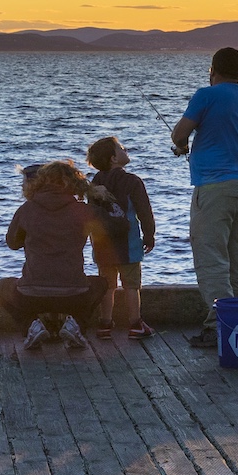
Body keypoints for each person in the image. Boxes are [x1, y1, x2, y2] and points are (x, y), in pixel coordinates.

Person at [171, 47, 238, 349]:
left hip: (213, 187)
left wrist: (182, 146)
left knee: (211, 257)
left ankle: (218, 326)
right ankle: (236, 323)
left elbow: (179, 133)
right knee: (236, 258)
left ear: (213, 70)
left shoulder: (206, 95)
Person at [0, 159, 106, 351]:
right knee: (101, 283)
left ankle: (30, 325)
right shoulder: (82, 210)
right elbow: (112, 230)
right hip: (74, 293)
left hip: (31, 294)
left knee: (1, 286)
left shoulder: (26, 209)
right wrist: (99, 201)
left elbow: (12, 243)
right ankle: (76, 324)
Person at [87, 136, 156, 340]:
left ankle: (105, 324)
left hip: (102, 243)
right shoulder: (132, 181)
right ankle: (135, 323)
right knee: (131, 285)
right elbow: (144, 212)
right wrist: (149, 235)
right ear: (113, 158)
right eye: (121, 148)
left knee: (107, 285)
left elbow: (91, 213)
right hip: (129, 244)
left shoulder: (95, 182)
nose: (126, 150)